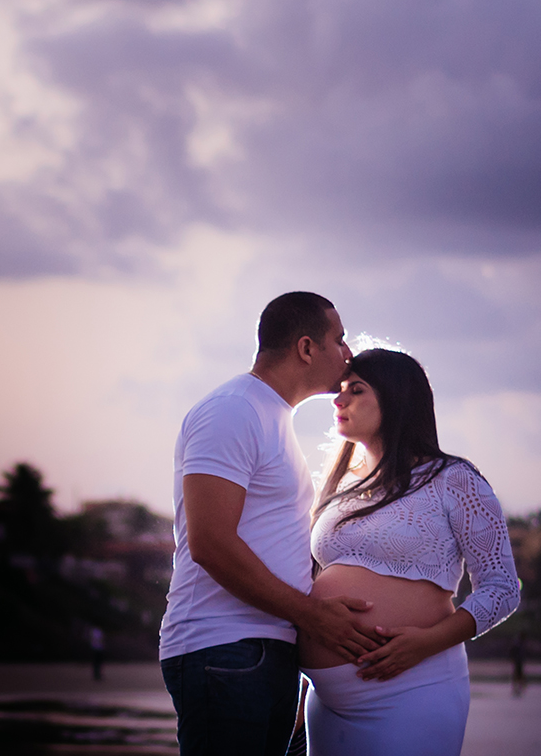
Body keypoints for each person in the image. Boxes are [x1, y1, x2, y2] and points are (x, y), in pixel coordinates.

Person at [159, 292, 381, 756]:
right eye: (338, 340)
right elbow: (210, 543)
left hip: (265, 650)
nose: (348, 354)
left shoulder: (273, 417)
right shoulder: (232, 410)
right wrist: (310, 614)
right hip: (224, 648)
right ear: (306, 348)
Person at [299, 349, 521, 756]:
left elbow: (502, 588)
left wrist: (425, 643)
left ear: (396, 398)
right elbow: (314, 587)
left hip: (412, 688)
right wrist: (302, 690)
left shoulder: (453, 480)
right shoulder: (339, 491)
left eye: (356, 390)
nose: (338, 399)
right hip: (326, 702)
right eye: (341, 390)